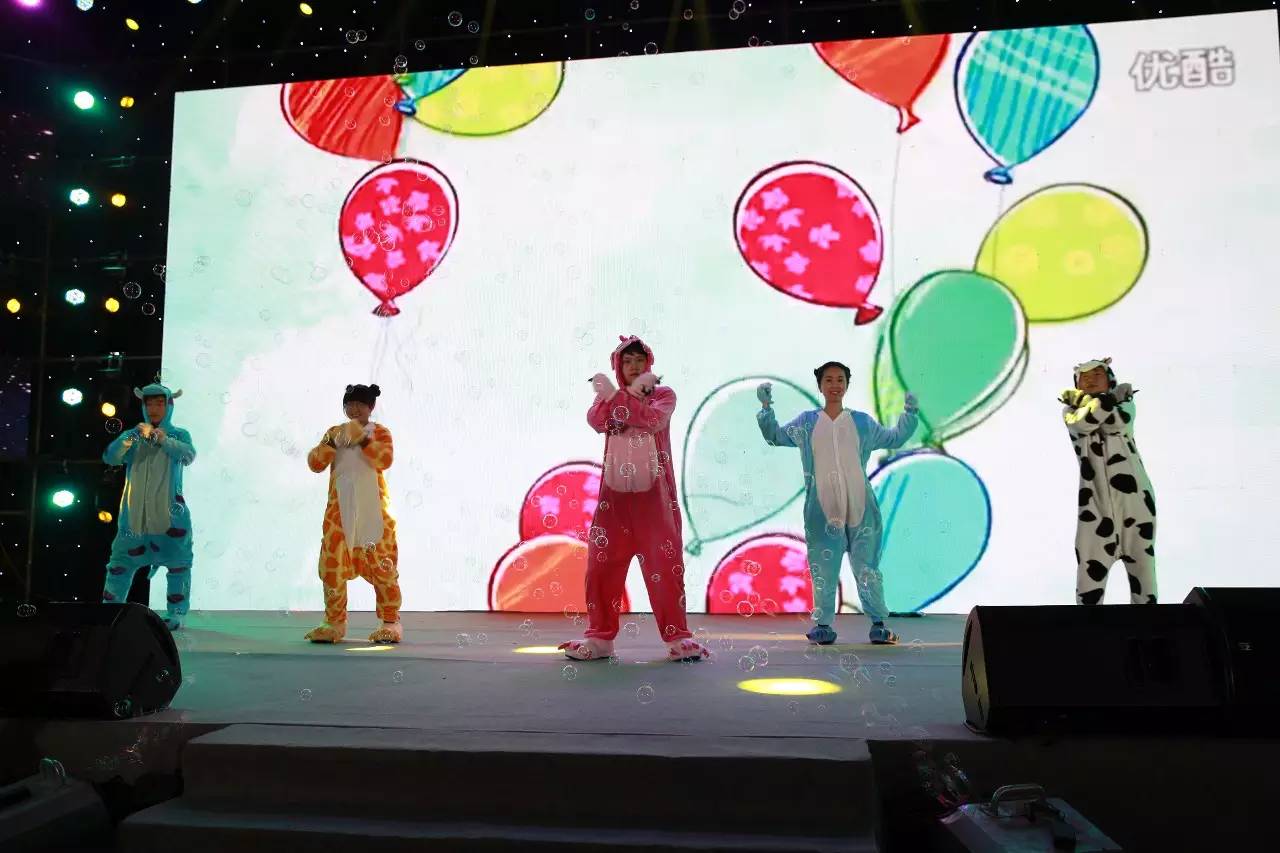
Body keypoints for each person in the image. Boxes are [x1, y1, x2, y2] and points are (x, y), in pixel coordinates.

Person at [559, 336, 712, 663]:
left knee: (665, 567)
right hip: (613, 500)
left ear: (649, 364)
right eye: (626, 361)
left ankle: (678, 637)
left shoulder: (663, 395)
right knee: (600, 567)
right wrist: (616, 398)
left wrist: (617, 397)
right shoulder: (607, 400)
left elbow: (652, 420)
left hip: (654, 500)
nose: (633, 366)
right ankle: (600, 637)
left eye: (639, 360)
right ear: (618, 366)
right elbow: (596, 421)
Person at [756, 362, 918, 645]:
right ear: (820, 386)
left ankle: (878, 624)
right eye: (829, 380)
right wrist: (766, 408)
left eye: (840, 379)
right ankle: (823, 625)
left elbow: (895, 438)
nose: (835, 385)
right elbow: (775, 437)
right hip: (822, 510)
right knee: (823, 567)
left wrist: (910, 413)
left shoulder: (862, 422)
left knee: (867, 567)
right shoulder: (806, 422)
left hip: (861, 508)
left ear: (846, 385)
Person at [304, 384, 403, 643]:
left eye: (360, 404)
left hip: (374, 510)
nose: (354, 408)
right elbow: (315, 463)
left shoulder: (380, 432)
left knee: (382, 565)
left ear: (371, 407)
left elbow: (384, 460)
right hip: (339, 512)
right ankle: (334, 623)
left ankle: (390, 622)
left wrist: (363, 439)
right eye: (350, 404)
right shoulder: (334, 433)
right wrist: (331, 442)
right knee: (333, 565)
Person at [101, 383, 197, 631]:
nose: (154, 409)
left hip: (170, 520)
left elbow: (188, 455)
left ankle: (176, 613)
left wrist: (163, 439)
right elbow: (111, 457)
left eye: (160, 403)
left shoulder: (179, 435)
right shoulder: (134, 437)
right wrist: (130, 438)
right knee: (119, 566)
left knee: (178, 565)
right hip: (133, 521)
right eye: (150, 403)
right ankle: (109, 613)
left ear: (169, 406)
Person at [1060, 358, 1156, 605]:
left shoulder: (1125, 406)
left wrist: (1099, 404)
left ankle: (1151, 625)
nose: (1090, 379)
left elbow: (1116, 423)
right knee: (1089, 582)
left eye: (1097, 374)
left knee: (1144, 577)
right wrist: (1108, 400)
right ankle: (1088, 629)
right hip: (1095, 508)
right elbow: (1084, 424)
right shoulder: (1070, 412)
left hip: (1136, 503)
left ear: (1110, 379)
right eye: (1084, 376)